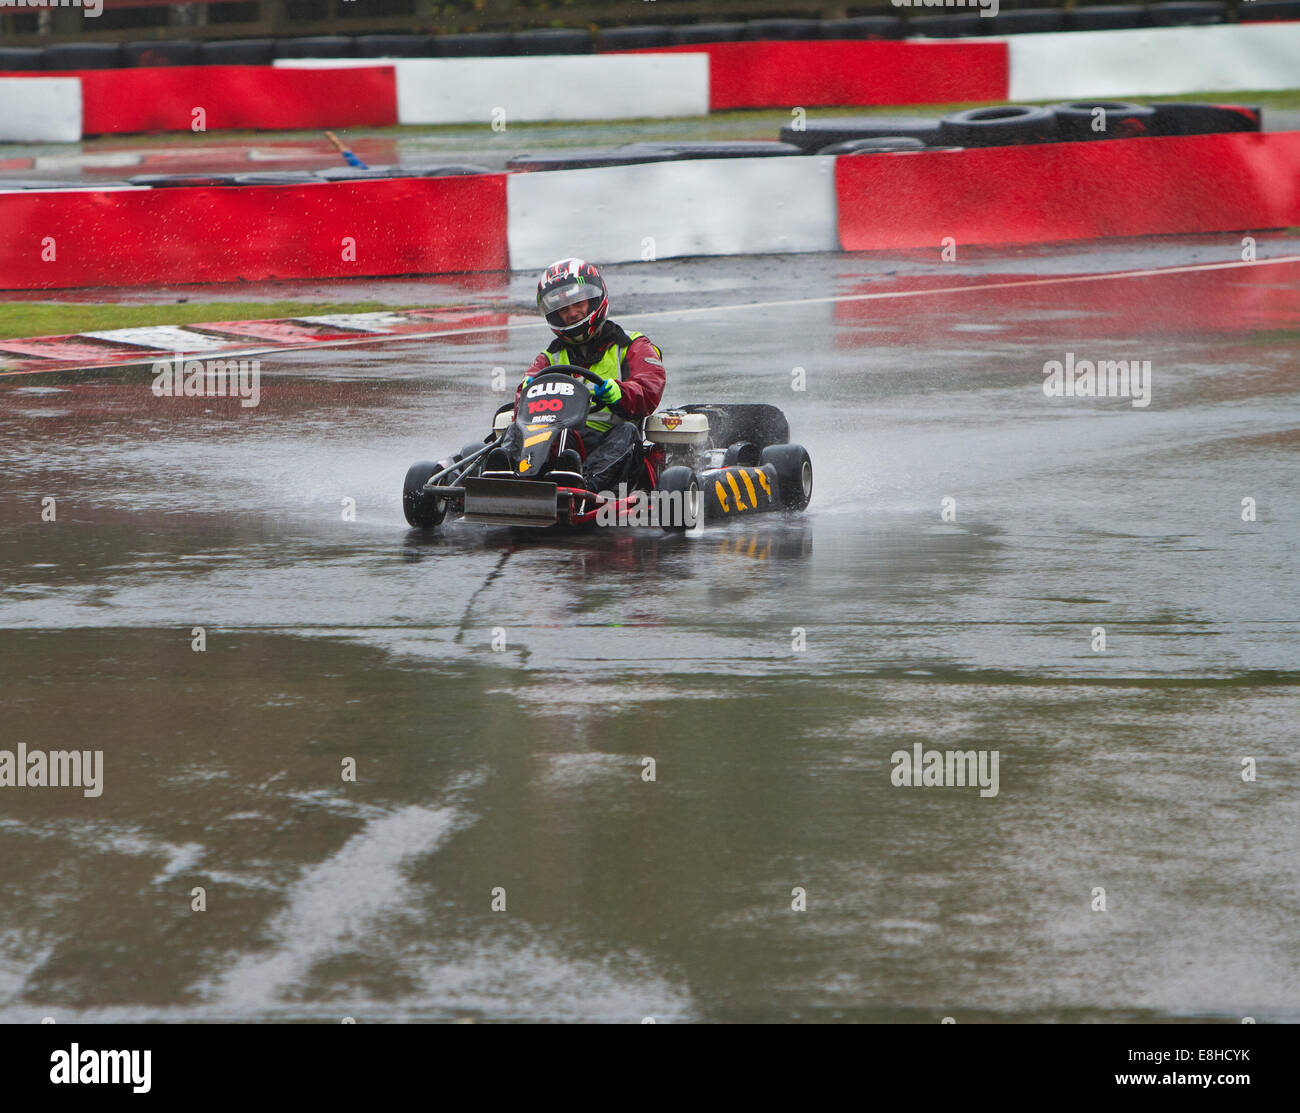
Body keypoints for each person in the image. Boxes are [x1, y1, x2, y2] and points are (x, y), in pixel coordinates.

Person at [491, 258, 665, 492]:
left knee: (627, 432)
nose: (572, 313)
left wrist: (619, 393)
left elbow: (650, 388)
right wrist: (527, 391)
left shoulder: (631, 345)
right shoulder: (550, 357)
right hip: (558, 437)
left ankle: (584, 484)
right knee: (516, 429)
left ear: (594, 300)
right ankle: (503, 476)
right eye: (563, 309)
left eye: (577, 304)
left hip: (608, 438)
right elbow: (524, 396)